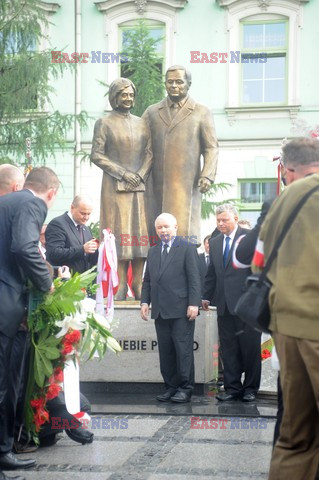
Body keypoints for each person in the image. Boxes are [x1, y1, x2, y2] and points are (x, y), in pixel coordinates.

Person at [254, 138, 319, 480]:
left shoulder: (283, 200)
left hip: (287, 329)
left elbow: (257, 264)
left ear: (289, 170)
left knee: (296, 437)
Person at [0, 167, 59, 479]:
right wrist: (46, 283)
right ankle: (3, 453)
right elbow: (23, 248)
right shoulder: (32, 203)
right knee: (3, 385)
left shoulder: (6, 203)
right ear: (51, 193)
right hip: (5, 306)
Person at [91, 78, 152, 300]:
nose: (128, 98)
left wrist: (140, 174)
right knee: (119, 233)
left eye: (130, 95)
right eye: (123, 94)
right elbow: (96, 154)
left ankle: (137, 283)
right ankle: (119, 288)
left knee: (138, 235)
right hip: (114, 188)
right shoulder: (104, 123)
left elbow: (150, 153)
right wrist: (124, 173)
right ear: (114, 97)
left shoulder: (142, 123)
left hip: (139, 187)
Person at [143, 65, 219, 239]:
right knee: (157, 235)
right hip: (156, 183)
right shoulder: (152, 112)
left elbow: (211, 147)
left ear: (188, 84)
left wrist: (207, 175)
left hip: (186, 182)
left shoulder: (201, 111)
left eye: (179, 81)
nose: (174, 86)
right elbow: (141, 145)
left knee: (185, 236)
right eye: (170, 82)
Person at [202, 204, 261, 402]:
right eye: (218, 220)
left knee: (250, 348)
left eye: (224, 220)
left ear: (235, 219)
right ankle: (232, 388)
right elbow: (212, 274)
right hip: (224, 305)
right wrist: (206, 296)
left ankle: (251, 388)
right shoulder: (216, 242)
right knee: (228, 348)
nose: (220, 223)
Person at [140, 213, 201, 403]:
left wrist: (194, 303)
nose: (163, 231)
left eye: (166, 226)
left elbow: (194, 279)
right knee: (166, 351)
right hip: (160, 310)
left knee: (182, 350)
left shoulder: (187, 248)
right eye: (159, 228)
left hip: (182, 310)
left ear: (175, 226)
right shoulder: (153, 251)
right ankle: (171, 386)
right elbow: (148, 280)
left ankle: (185, 388)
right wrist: (144, 302)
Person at [45, 195, 98, 275]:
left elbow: (90, 259)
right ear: (72, 208)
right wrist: (82, 249)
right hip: (64, 281)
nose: (86, 217)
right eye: (83, 213)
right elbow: (54, 253)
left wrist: (100, 249)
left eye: (89, 214)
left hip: (83, 282)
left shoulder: (86, 229)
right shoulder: (58, 224)